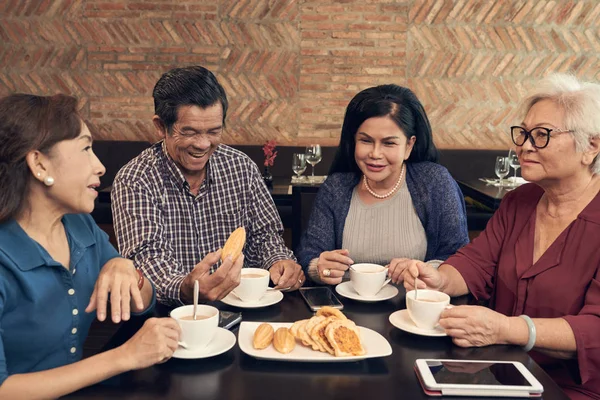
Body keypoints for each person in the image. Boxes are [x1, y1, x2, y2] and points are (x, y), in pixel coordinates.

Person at [403, 73, 600, 399]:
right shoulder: (520, 202)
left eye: (541, 135)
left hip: (571, 390)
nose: (523, 145)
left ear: (591, 146)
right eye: (523, 133)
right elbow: (475, 263)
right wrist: (438, 279)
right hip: (500, 370)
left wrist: (506, 329)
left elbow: (595, 329)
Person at [0, 94, 181, 399]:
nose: (99, 166)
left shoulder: (79, 225)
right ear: (39, 164)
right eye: (85, 148)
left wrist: (124, 268)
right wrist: (125, 357)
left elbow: (143, 303)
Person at [111, 65, 304, 306]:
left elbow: (265, 235)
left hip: (242, 309)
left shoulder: (240, 167)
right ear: (161, 127)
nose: (203, 144)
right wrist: (187, 288)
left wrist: (279, 261)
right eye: (189, 132)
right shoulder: (136, 179)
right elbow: (147, 260)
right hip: (171, 316)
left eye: (214, 131)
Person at [296, 84, 469, 285]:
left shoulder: (434, 182)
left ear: (409, 146)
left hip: (412, 308)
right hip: (346, 311)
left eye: (389, 143)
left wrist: (423, 270)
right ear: (353, 141)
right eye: (366, 141)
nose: (375, 154)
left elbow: (459, 257)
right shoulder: (336, 187)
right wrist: (319, 268)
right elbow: (309, 253)